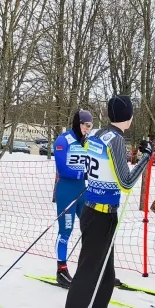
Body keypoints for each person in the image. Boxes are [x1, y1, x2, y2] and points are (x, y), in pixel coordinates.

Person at [61, 95, 151, 308]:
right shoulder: (116, 140)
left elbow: (107, 170)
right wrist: (146, 158)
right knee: (88, 275)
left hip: (98, 211)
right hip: (99, 213)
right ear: (129, 116)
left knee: (106, 274)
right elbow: (125, 182)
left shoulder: (98, 134)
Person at [52, 109, 93, 286]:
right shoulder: (63, 140)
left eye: (91, 126)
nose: (88, 129)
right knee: (66, 231)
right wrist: (82, 175)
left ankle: (90, 268)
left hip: (82, 192)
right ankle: (61, 270)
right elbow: (62, 169)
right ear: (79, 124)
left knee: (91, 228)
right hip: (66, 191)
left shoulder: (87, 143)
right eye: (86, 126)